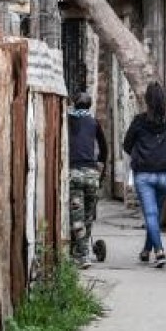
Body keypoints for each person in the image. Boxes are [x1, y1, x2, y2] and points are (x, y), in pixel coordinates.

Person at [123, 81, 166, 268]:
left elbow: (126, 145)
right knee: (153, 215)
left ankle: (160, 251)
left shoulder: (139, 121)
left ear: (147, 101)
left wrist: (141, 155)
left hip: (144, 175)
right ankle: (146, 251)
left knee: (151, 214)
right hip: (164, 175)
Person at [67, 92, 108, 269]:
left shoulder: (67, 120)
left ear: (75, 104)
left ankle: (82, 255)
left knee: (76, 217)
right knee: (88, 216)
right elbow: (104, 148)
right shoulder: (93, 122)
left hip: (75, 172)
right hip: (92, 174)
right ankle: (81, 251)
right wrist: (101, 165)